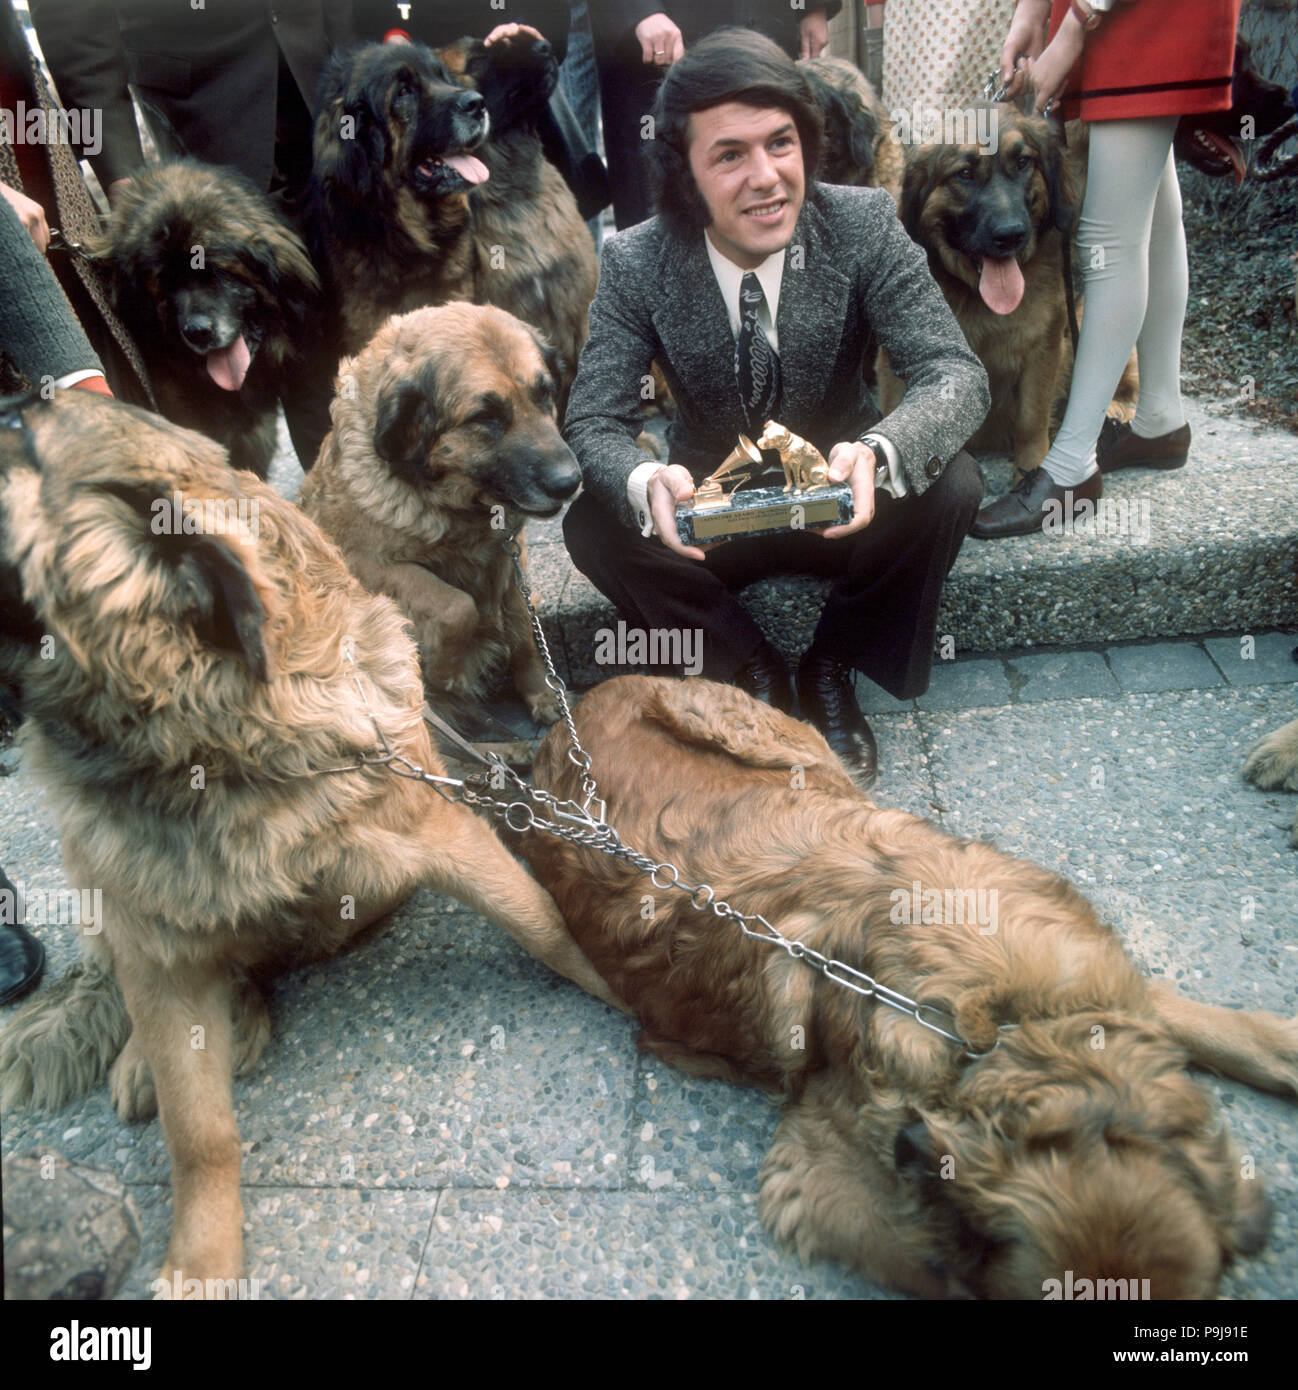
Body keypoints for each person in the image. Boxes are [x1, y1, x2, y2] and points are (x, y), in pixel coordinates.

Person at [562, 29, 989, 783]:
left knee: (951, 481)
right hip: (712, 516)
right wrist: (645, 480)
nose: (767, 178)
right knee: (594, 520)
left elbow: (954, 373)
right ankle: (750, 670)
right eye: (730, 155)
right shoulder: (635, 260)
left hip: (840, 499)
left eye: (781, 144)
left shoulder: (861, 224)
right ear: (685, 172)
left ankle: (831, 665)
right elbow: (593, 421)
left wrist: (881, 451)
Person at [971, 0, 1239, 538]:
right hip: (1116, 12)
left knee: (1108, 238)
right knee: (1156, 216)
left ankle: (1071, 469)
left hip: (1141, 14)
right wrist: (1034, 10)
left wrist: (1076, 24)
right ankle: (1161, 418)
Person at [588, 2, 840, 229]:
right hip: (659, 41)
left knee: (778, 190)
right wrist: (640, 10)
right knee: (656, 204)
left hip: (767, 23)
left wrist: (813, 7)